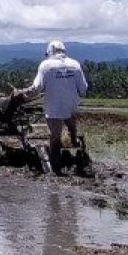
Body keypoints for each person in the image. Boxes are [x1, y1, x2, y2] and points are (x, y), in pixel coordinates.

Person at [23, 40, 88, 173]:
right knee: (71, 124)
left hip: (54, 108)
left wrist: (25, 94)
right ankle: (74, 141)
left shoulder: (46, 65)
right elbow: (83, 88)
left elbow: (37, 87)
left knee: (55, 135)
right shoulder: (75, 64)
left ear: (49, 52)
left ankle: (55, 162)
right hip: (72, 106)